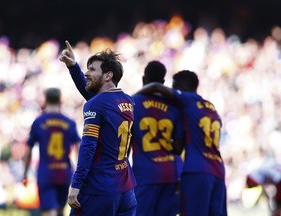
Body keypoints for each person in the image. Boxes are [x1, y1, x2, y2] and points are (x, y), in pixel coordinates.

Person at [136, 70, 227, 216]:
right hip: (218, 170)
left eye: (174, 87)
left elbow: (156, 87)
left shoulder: (188, 100)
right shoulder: (211, 107)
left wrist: (131, 98)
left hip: (196, 171)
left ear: (182, 87)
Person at [59, 45, 137, 216]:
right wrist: (73, 67)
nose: (87, 73)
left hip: (99, 189)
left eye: (92, 69)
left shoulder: (96, 104)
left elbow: (88, 146)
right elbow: (94, 95)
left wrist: (76, 184)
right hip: (126, 189)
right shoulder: (128, 102)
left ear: (108, 75)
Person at [131, 61, 184, 216]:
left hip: (145, 172)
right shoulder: (174, 106)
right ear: (163, 82)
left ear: (143, 79)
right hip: (171, 172)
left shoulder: (133, 103)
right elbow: (179, 147)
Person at [23, 87, 81, 216]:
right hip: (65, 172)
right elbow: (79, 146)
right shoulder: (69, 122)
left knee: (49, 211)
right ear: (60, 100)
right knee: (60, 211)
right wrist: (79, 171)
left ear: (46, 100)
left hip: (46, 173)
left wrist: (25, 174)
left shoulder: (38, 122)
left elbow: (28, 150)